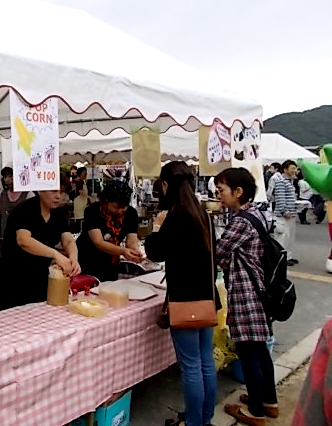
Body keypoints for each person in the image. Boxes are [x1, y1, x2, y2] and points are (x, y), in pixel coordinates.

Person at [144, 161, 219, 426]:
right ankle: (204, 418)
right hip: (208, 297)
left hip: (185, 300)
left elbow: (155, 252)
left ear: (166, 185)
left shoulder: (175, 217)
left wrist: (156, 227)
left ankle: (195, 422)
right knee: (205, 361)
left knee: (190, 366)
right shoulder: (203, 214)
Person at [214, 168, 278, 426]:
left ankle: (255, 412)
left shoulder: (240, 221)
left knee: (249, 350)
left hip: (245, 294)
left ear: (238, 192)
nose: (219, 196)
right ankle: (268, 401)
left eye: (221, 191)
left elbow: (219, 252)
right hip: (259, 290)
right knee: (260, 349)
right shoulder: (257, 214)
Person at [0, 187, 81, 310]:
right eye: (53, 191)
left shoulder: (58, 214)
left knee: (41, 313)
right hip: (16, 276)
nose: (58, 196)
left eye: (62, 192)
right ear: (40, 191)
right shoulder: (24, 210)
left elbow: (67, 239)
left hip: (40, 275)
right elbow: (24, 240)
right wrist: (56, 255)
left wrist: (73, 258)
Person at [77, 180, 142, 281]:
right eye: (116, 207)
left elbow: (132, 239)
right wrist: (123, 251)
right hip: (87, 258)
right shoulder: (92, 211)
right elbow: (98, 242)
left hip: (111, 261)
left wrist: (134, 251)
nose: (120, 211)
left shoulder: (131, 213)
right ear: (106, 200)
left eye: (123, 207)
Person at [0, 165, 32, 265]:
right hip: (5, 240)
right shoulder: (1, 195)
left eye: (11, 176)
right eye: (5, 177)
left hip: (23, 241)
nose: (7, 180)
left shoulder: (28, 195)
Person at [273, 160, 299, 265]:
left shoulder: (290, 182)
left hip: (291, 214)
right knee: (282, 238)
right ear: (285, 169)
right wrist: (285, 211)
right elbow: (280, 198)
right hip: (283, 216)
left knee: (290, 237)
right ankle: (281, 258)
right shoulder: (281, 182)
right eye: (292, 168)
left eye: (295, 168)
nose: (295, 171)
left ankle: (288, 256)